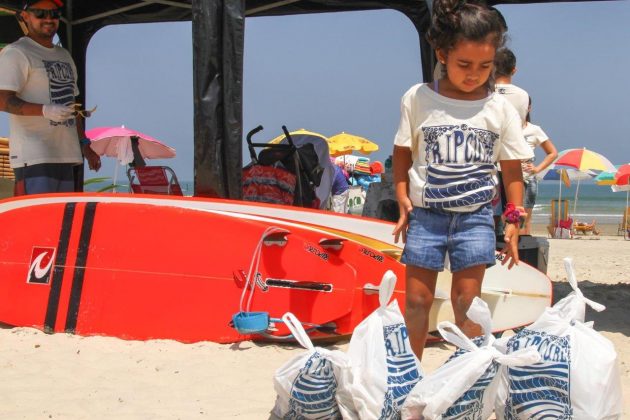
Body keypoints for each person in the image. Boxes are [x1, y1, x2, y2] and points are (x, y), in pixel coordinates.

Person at [392, 0, 533, 360]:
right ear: (442, 53)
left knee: (467, 302)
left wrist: (514, 219)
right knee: (418, 300)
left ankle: (465, 376)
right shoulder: (418, 98)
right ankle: (409, 374)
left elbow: (512, 168)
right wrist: (402, 195)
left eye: (485, 66)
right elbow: (403, 150)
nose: (474, 74)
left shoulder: (500, 108)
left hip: (476, 219)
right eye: (464, 65)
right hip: (427, 217)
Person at [0, 0, 100, 196]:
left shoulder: (64, 55)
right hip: (35, 157)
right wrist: (45, 110)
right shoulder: (16, 53)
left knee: (59, 222)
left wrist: (85, 146)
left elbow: (73, 105)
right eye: (40, 13)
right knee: (36, 222)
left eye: (54, 14)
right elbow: (2, 99)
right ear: (25, 16)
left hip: (65, 155)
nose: (48, 19)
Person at [521, 97, 558, 234]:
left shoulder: (534, 130)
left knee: (524, 217)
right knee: (504, 216)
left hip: (527, 177)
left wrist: (537, 169)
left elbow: (552, 153)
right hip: (504, 175)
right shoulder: (504, 127)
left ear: (529, 107)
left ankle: (523, 251)